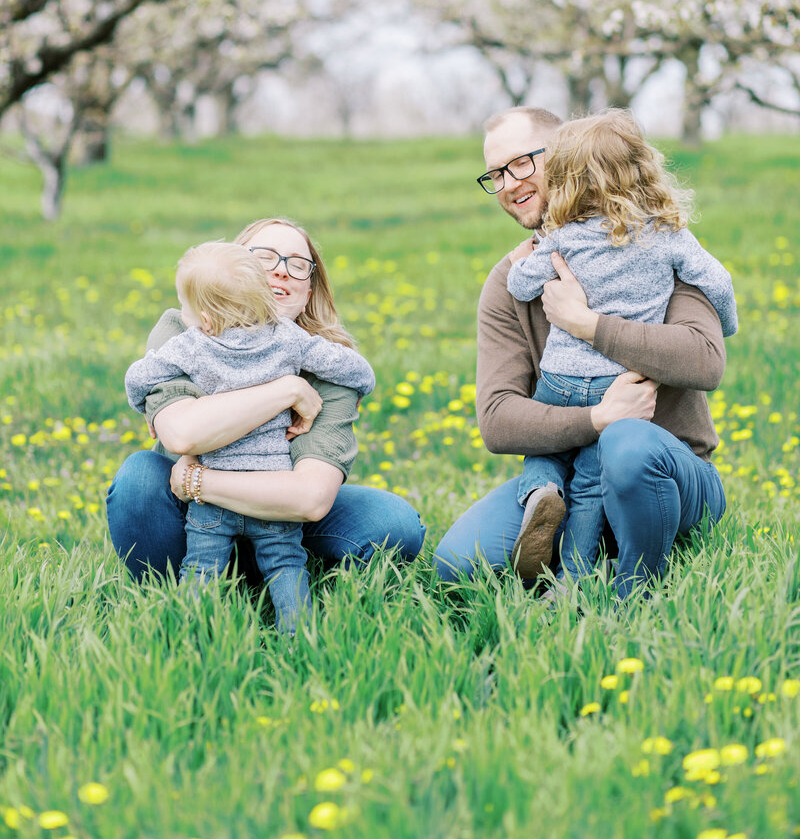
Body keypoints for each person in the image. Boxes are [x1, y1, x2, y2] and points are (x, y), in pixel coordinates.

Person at [433, 107, 729, 600]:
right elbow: (498, 418)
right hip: (571, 476)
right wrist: (598, 417)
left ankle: (632, 592)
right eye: (496, 174)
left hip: (668, 471)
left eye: (521, 164)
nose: (508, 184)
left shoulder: (656, 244)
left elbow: (704, 359)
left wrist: (587, 325)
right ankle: (560, 527)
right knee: (458, 563)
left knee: (626, 446)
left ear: (569, 158)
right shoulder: (510, 280)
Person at [107, 217, 425, 584]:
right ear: (232, 269)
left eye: (298, 264)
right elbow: (182, 435)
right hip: (191, 519)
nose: (281, 271)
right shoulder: (186, 330)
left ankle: (270, 576)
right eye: (264, 257)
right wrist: (286, 391)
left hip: (282, 519)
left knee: (393, 522)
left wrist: (197, 479)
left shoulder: (330, 365)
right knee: (138, 478)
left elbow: (311, 498)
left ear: (309, 292)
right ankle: (172, 598)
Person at [124, 241, 376, 631]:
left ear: (205, 318)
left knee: (201, 568)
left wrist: (142, 404)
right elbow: (359, 372)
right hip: (274, 490)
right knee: (288, 567)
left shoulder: (194, 344)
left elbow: (137, 377)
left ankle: (192, 636)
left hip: (210, 499)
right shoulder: (288, 338)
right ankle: (300, 637)